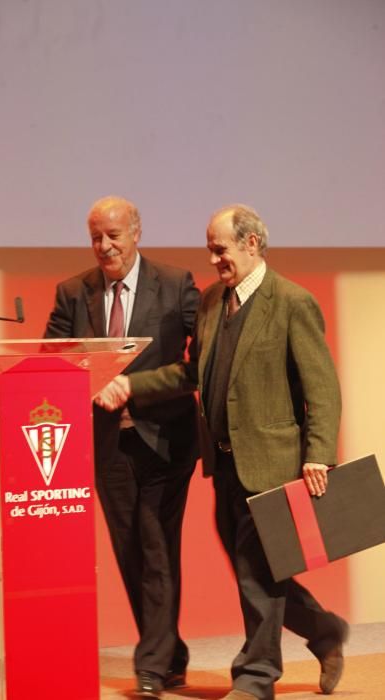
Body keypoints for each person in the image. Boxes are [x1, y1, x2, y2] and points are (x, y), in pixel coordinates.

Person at [95, 204, 349, 700]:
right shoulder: (213, 302)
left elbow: (323, 387)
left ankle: (256, 677)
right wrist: (131, 384)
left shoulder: (293, 302)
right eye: (210, 249)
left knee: (256, 569)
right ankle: (324, 631)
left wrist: (319, 453)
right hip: (225, 460)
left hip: (274, 460)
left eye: (221, 249)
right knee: (253, 567)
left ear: (251, 244)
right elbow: (192, 374)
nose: (213, 259)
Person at [44, 195, 200, 698]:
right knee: (130, 548)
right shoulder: (73, 293)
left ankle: (151, 664)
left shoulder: (176, 285)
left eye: (113, 235)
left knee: (155, 544)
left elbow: (198, 364)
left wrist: (136, 386)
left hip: (166, 440)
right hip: (107, 441)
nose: (104, 246)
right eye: (95, 237)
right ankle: (169, 653)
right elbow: (54, 360)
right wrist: (92, 383)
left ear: (136, 232)